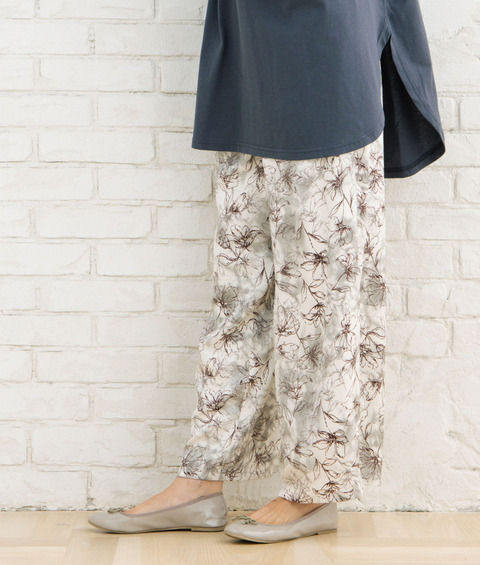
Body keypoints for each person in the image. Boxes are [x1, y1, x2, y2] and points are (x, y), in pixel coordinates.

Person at [88, 0, 445, 543]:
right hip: (250, 62)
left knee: (321, 300)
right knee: (238, 294)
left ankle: (314, 490)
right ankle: (201, 480)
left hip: (323, 59)